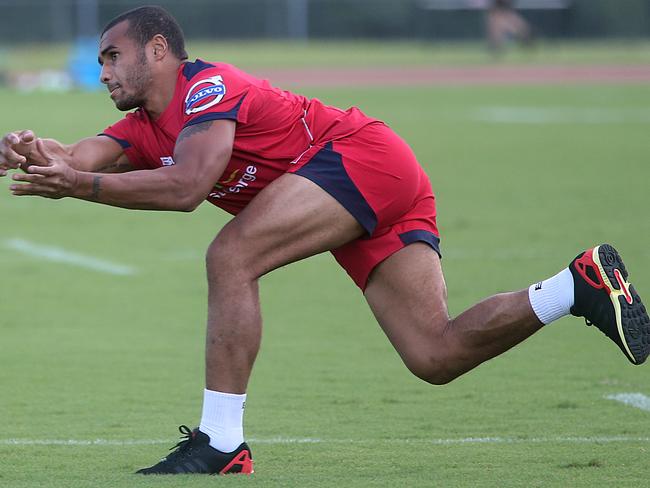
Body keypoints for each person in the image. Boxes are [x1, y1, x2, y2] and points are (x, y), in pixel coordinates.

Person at [1, 5, 648, 476]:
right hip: (364, 187)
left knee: (231, 253)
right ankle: (576, 286)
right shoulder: (141, 130)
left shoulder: (208, 87)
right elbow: (74, 153)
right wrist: (32, 155)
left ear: (160, 51)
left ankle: (222, 444)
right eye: (101, 61)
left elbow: (188, 187)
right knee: (434, 355)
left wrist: (78, 185)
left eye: (114, 56)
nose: (104, 70)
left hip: (362, 157)